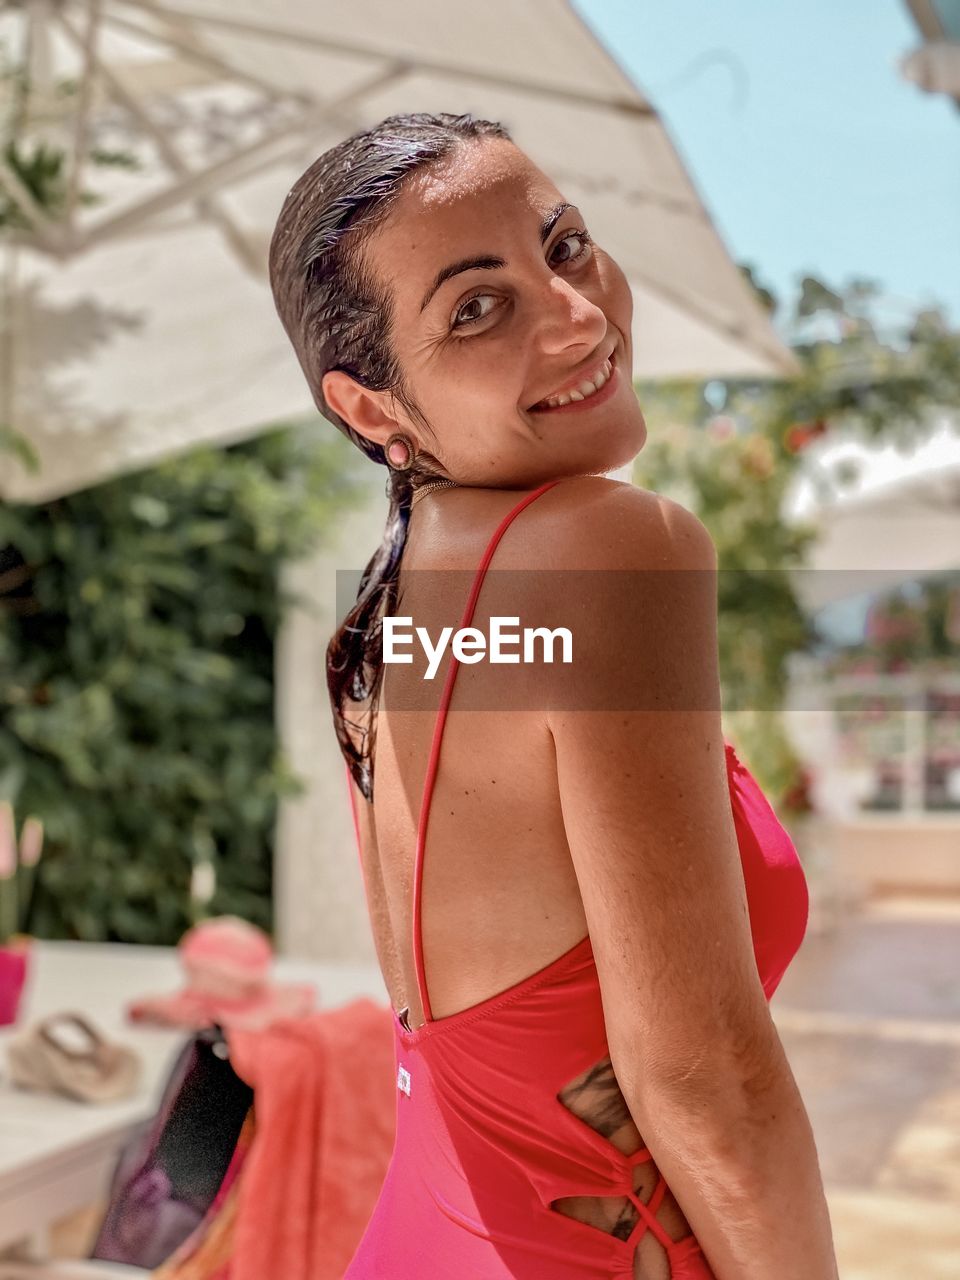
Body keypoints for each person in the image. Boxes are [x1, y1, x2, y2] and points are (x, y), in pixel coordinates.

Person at [268, 111, 838, 1280]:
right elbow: (705, 1076)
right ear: (371, 410)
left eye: (564, 246)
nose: (578, 315)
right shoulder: (614, 549)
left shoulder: (386, 621)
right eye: (477, 307)